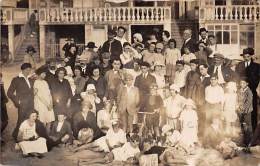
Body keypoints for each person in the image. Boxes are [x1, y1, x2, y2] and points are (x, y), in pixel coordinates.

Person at [7, 63, 34, 141]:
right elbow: (9, 92)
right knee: (21, 120)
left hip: (31, 103)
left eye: (29, 70)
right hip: (22, 104)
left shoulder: (30, 79)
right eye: (27, 70)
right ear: (22, 70)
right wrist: (17, 101)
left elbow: (31, 91)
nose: (28, 71)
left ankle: (26, 136)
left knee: (29, 120)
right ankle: (16, 137)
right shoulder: (16, 79)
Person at [236, 48, 260, 131]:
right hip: (241, 92)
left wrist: (248, 86)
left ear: (251, 56)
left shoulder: (257, 66)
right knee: (241, 111)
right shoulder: (239, 65)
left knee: (252, 111)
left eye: (248, 56)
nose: (246, 58)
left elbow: (257, 79)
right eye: (244, 56)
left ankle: (253, 131)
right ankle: (243, 132)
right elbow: (237, 77)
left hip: (252, 91)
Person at [34, 66, 55, 131]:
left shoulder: (45, 82)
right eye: (43, 73)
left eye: (45, 73)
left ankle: (47, 137)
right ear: (39, 74)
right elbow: (40, 96)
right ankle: (43, 137)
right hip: (41, 104)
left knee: (49, 121)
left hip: (49, 104)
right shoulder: (36, 82)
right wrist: (47, 104)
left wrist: (51, 103)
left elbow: (49, 94)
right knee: (42, 121)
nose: (44, 75)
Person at [237, 78, 253, 146]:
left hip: (247, 111)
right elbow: (238, 99)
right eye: (241, 83)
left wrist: (243, 108)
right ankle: (243, 141)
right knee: (242, 125)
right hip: (240, 111)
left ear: (247, 84)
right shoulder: (239, 90)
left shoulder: (249, 91)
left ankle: (249, 141)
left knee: (247, 126)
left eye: (243, 83)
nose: (242, 84)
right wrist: (239, 107)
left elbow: (249, 102)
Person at [0, 73, 8, 145]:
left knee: (5, 121)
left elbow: (5, 97)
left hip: (2, 106)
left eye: (1, 78)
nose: (0, 79)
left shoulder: (1, 85)